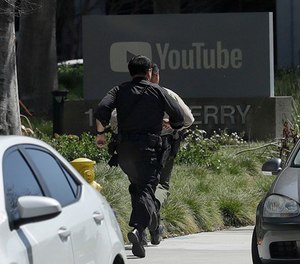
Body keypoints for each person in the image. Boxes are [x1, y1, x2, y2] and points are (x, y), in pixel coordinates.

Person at [94, 55, 184, 258]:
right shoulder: (157, 91)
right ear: (148, 73)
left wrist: (101, 134)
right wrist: (172, 124)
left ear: (130, 71)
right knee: (147, 189)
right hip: (148, 150)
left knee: (137, 187)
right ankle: (137, 229)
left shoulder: (118, 90)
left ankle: (150, 224)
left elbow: (101, 109)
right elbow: (178, 116)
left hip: (123, 151)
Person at [149, 64, 195, 245]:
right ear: (157, 77)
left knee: (142, 186)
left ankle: (143, 227)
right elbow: (189, 119)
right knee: (162, 185)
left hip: (137, 146)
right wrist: (170, 123)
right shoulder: (167, 93)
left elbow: (115, 118)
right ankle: (154, 212)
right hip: (164, 145)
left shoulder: (131, 94)